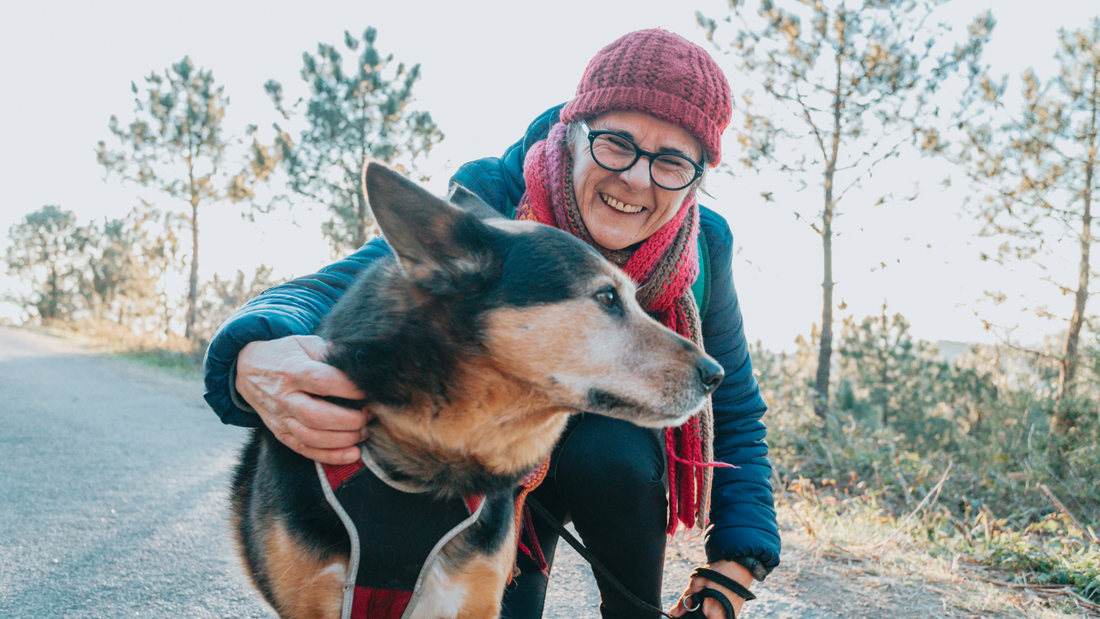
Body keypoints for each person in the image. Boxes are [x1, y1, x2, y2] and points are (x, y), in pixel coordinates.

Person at [203, 28, 779, 619]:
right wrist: (252, 350)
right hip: (496, 467)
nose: (636, 177)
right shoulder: (496, 197)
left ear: (696, 179)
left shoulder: (705, 245)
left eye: (673, 160)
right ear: (573, 133)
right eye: (616, 142)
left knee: (615, 453)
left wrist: (739, 560)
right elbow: (355, 283)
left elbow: (732, 408)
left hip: (605, 457)